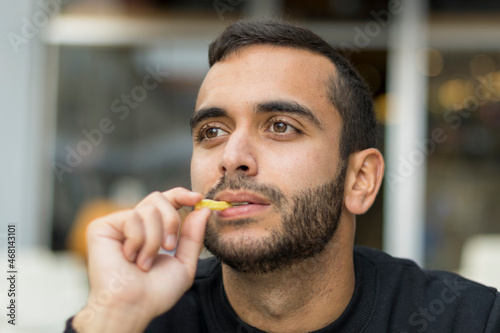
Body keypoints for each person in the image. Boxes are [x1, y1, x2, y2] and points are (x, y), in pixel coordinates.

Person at [65, 19, 500, 333]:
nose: (232, 158)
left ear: (360, 179)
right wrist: (112, 315)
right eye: (212, 132)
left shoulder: (468, 320)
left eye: (280, 126)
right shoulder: (145, 316)